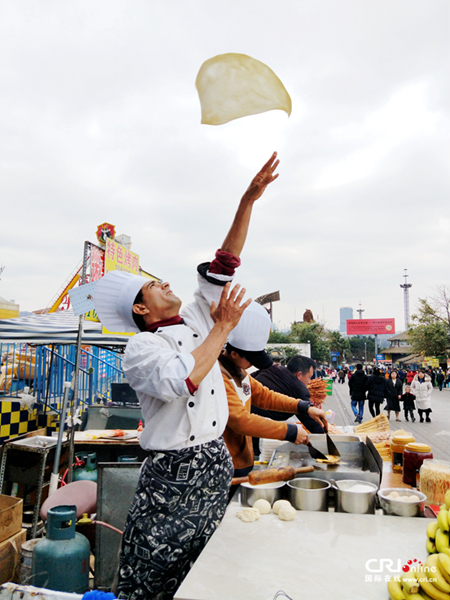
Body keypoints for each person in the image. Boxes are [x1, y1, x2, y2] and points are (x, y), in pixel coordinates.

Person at [93, 153, 280, 600]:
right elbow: (183, 380)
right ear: (141, 310)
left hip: (212, 461)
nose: (164, 284)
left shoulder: (195, 319)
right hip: (171, 475)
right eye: (152, 286)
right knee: (150, 576)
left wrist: (247, 201)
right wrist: (221, 328)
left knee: (206, 571)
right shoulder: (142, 348)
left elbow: (225, 263)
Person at [218, 303, 326, 493]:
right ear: (234, 353)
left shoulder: (241, 372)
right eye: (250, 358)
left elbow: (265, 396)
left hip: (243, 458)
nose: (252, 364)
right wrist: (289, 431)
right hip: (224, 461)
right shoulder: (218, 376)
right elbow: (240, 421)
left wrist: (304, 407)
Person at [251, 354, 326, 435]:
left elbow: (249, 381)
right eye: (309, 377)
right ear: (299, 375)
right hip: (250, 423)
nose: (310, 382)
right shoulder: (300, 390)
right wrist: (326, 435)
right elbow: (310, 423)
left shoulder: (272, 369)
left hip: (247, 412)